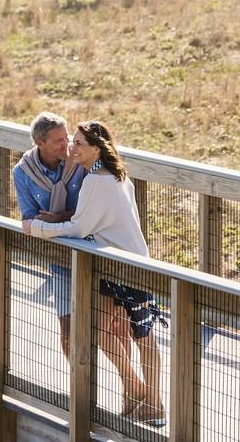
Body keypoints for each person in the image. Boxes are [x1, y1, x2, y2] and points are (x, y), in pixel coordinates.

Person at [21, 120, 165, 426]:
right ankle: (136, 387)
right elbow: (87, 220)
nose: (72, 149)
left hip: (131, 268)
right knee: (103, 328)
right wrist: (60, 218)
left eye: (78, 144)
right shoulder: (109, 175)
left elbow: (79, 228)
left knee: (143, 336)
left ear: (96, 149)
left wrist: (37, 227)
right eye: (71, 142)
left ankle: (155, 403)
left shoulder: (97, 180)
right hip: (110, 267)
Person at [12, 111, 86, 356]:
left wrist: (58, 217)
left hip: (91, 245)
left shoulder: (80, 160)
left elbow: (95, 209)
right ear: (40, 143)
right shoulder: (22, 173)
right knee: (67, 324)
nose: (66, 144)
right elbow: (30, 221)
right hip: (59, 253)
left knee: (108, 326)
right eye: (58, 141)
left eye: (66, 137)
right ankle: (76, 384)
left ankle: (130, 383)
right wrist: (63, 220)